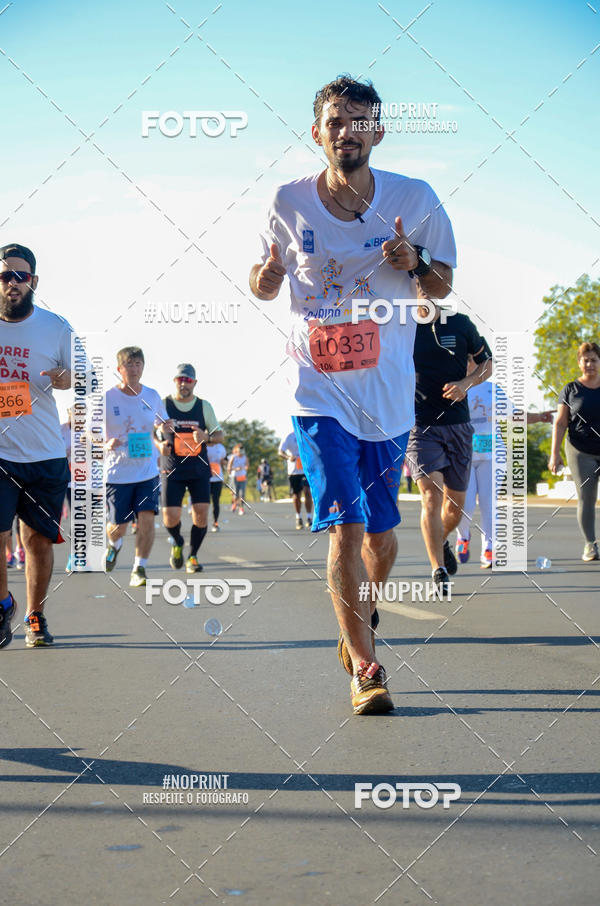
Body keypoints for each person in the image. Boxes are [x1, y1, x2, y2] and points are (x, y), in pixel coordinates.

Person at [249, 76, 456, 714]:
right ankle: (366, 667)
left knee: (382, 538)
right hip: (318, 392)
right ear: (318, 132)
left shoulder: (414, 198)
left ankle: (357, 621)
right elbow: (260, 284)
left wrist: (413, 261)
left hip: (388, 396)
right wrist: (268, 274)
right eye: (336, 121)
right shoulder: (286, 200)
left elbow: (442, 286)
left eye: (360, 120)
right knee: (346, 526)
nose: (348, 131)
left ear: (378, 131)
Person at [0, 242, 72, 648]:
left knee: (36, 541)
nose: (12, 283)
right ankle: (2, 605)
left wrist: (67, 379)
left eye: (20, 276)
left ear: (34, 281)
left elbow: (86, 376)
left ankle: (34, 614)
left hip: (44, 453)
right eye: (5, 275)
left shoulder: (56, 327)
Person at [407, 300, 492, 593]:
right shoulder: (400, 325)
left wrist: (466, 384)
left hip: (458, 425)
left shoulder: (461, 323)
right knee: (431, 495)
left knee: (454, 508)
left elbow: (487, 364)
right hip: (419, 426)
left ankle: (441, 540)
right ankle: (438, 570)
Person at [456, 362, 553, 568]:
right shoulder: (455, 387)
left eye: (473, 359)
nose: (469, 364)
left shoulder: (492, 389)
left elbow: (514, 415)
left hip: (492, 453)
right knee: (466, 505)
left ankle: (489, 548)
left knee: (489, 503)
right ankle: (463, 536)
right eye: (466, 359)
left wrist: (539, 417)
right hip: (463, 454)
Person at [104, 347, 171, 586]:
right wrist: (105, 443)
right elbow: (89, 434)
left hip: (147, 471)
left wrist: (166, 427)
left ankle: (139, 568)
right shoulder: (107, 398)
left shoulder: (152, 396)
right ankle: (114, 545)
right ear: (119, 369)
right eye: (129, 365)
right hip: (118, 473)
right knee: (117, 528)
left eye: (138, 364)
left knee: (146, 519)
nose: (134, 369)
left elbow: (162, 422)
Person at [159, 363, 223, 571]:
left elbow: (219, 436)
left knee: (201, 514)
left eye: (187, 380)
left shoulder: (204, 406)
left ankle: (193, 556)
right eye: (180, 380)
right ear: (174, 382)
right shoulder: (164, 404)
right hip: (173, 469)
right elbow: (150, 430)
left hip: (198, 469)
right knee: (170, 518)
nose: (183, 384)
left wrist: (206, 437)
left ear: (194, 383)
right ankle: (177, 542)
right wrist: (160, 444)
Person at [549, 341, 600, 561]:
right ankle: (590, 545)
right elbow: (560, 423)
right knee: (587, 499)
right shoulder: (571, 389)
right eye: (586, 360)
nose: (590, 364)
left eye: (594, 360)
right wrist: (555, 453)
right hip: (580, 451)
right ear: (579, 363)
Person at [278, 431, 313, 528]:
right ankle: (299, 517)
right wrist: (288, 457)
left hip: (306, 470)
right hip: (294, 471)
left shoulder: (306, 434)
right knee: (296, 495)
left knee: (307, 492)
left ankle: (309, 518)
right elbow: (280, 451)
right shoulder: (288, 436)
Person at [207, 438, 228, 531]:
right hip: (205, 478)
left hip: (217, 478)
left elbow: (225, 461)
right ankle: (202, 523)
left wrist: (224, 462)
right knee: (205, 502)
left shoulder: (220, 447)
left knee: (216, 502)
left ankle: (215, 523)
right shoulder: (202, 446)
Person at [227, 445, 248, 515]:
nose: (241, 453)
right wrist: (235, 469)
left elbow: (247, 466)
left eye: (242, 451)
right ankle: (234, 504)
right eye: (239, 451)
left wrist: (244, 467)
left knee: (242, 494)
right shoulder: (233, 457)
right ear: (237, 451)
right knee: (235, 493)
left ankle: (241, 508)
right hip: (235, 477)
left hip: (243, 477)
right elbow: (229, 468)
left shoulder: (245, 458)